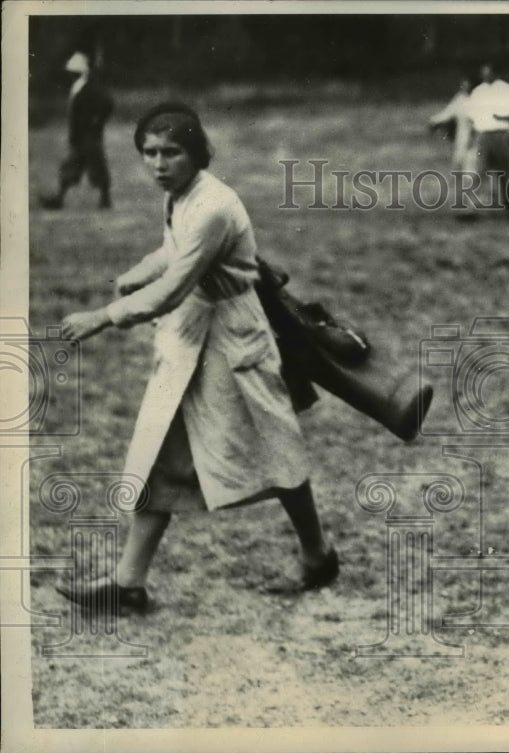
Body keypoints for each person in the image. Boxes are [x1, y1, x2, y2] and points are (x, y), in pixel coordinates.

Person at [57, 102, 339, 612]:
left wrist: (103, 315)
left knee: (278, 457)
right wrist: (139, 270)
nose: (159, 164)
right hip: (190, 342)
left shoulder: (213, 205)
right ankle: (128, 584)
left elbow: (176, 285)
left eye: (172, 152)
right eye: (149, 153)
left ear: (197, 153)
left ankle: (318, 554)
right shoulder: (181, 198)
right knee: (157, 455)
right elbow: (173, 253)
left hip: (232, 346)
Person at [40, 51, 114, 210]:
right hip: (80, 135)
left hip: (89, 136)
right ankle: (60, 199)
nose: (69, 75)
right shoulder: (78, 87)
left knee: (95, 165)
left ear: (77, 73)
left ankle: (104, 199)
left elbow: (108, 104)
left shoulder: (89, 88)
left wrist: (97, 122)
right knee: (72, 166)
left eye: (72, 72)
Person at [465, 62, 509, 212]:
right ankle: (470, 207)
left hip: (501, 135)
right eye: (483, 73)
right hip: (483, 136)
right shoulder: (478, 91)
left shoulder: (507, 90)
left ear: (495, 73)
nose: (486, 76)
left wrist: (501, 116)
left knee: (505, 171)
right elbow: (471, 117)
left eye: (488, 72)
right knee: (480, 170)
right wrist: (472, 137)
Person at [428, 75, 477, 174]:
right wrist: (434, 121)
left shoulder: (477, 99)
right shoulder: (459, 98)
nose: (465, 87)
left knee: (471, 165)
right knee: (458, 162)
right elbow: (448, 112)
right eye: (463, 85)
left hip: (474, 136)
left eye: (468, 84)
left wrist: (473, 135)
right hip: (461, 135)